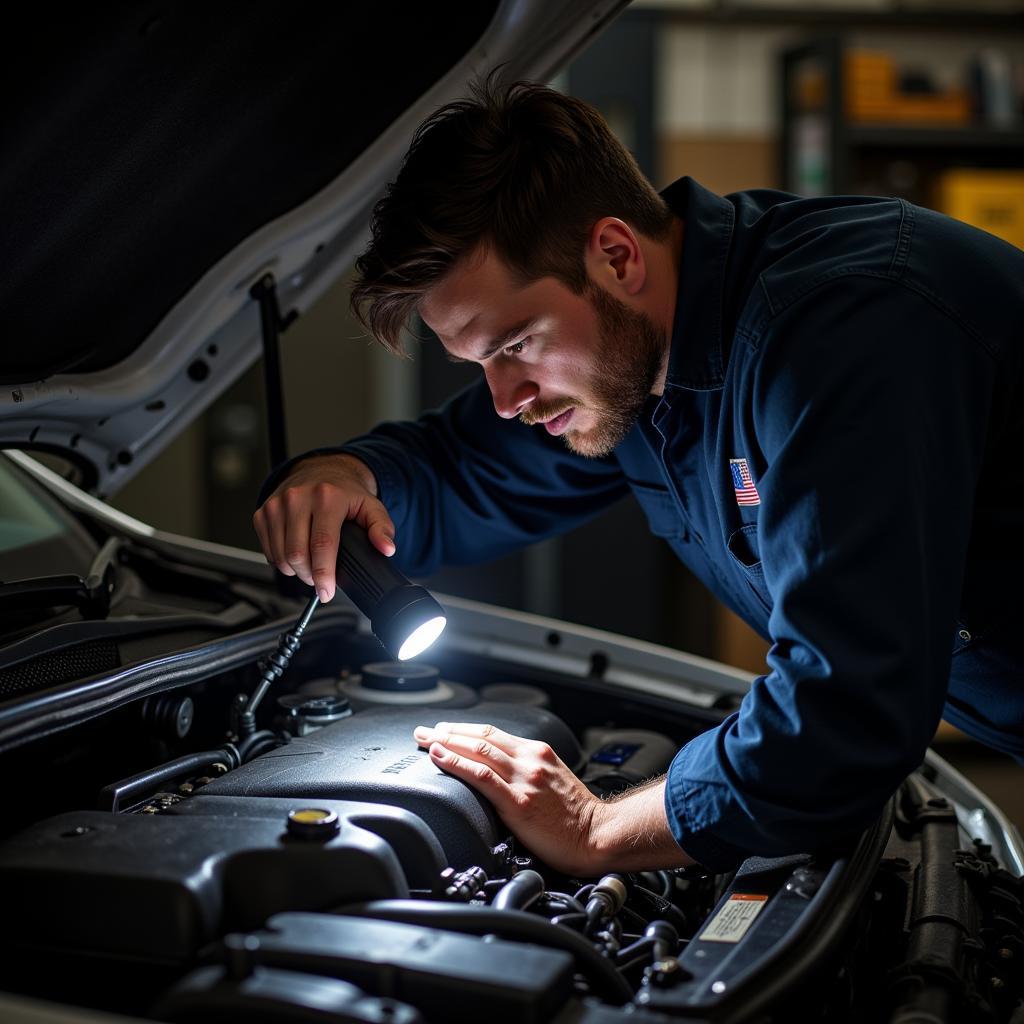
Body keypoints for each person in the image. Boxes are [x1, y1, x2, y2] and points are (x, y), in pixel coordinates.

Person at [252, 79, 1024, 876]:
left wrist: (596, 829)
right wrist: (346, 474)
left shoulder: (842, 334)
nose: (505, 398)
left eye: (514, 344)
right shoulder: (633, 368)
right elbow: (459, 469)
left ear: (616, 256)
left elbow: (846, 713)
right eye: (479, 363)